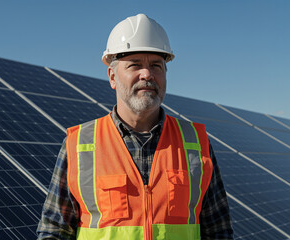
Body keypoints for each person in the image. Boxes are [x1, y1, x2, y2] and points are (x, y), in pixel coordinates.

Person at [37, 13, 234, 240]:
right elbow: (54, 231)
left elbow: (218, 230)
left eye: (156, 66)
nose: (147, 74)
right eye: (135, 65)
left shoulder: (196, 143)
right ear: (112, 77)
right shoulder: (80, 144)